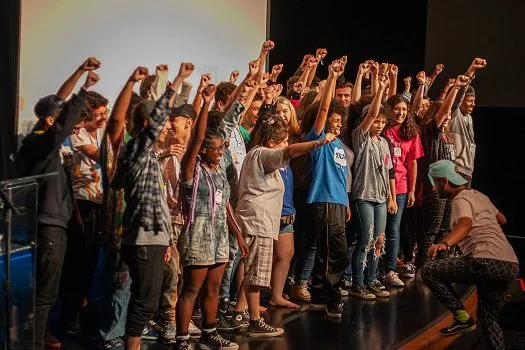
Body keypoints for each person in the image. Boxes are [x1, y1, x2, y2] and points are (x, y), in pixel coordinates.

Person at [19, 57, 101, 350]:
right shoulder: (37, 142)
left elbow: (59, 99)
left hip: (60, 222)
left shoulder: (49, 141)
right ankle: (36, 342)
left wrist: (81, 76)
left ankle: (42, 335)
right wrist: (82, 93)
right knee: (44, 293)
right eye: (64, 116)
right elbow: (60, 122)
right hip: (47, 225)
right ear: (52, 121)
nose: (72, 120)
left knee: (52, 290)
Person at [112, 62, 193, 350]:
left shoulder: (148, 158)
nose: (169, 128)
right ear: (149, 126)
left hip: (155, 238)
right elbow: (157, 117)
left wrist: (168, 240)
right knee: (143, 301)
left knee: (146, 299)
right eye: (165, 124)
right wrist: (178, 80)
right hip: (142, 239)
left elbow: (156, 201)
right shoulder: (137, 149)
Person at [175, 83, 249, 350]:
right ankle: (182, 338)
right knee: (192, 289)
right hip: (198, 234)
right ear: (204, 150)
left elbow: (225, 205)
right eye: (215, 148)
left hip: (219, 234)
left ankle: (210, 332)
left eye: (222, 148)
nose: (220, 152)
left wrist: (238, 234)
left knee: (214, 289)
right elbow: (196, 138)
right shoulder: (192, 170)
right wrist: (206, 103)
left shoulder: (219, 171)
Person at [422, 159, 519, 350]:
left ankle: (462, 318)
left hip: (486, 260)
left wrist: (444, 243)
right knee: (488, 317)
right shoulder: (479, 196)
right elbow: (503, 219)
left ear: (445, 181)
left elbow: (465, 224)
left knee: (429, 270)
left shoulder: (460, 198)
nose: (435, 190)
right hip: (510, 264)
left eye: (436, 184)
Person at [350, 70, 395, 300]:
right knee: (365, 240)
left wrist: (392, 197)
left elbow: (389, 171)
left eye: (382, 122)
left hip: (380, 197)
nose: (378, 124)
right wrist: (380, 91)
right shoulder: (361, 136)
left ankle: (371, 278)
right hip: (364, 196)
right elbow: (371, 114)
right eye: (375, 121)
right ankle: (358, 282)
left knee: (379, 239)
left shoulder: (384, 143)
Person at [382, 94, 423, 286]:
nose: (400, 112)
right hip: (380, 186)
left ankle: (390, 269)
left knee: (394, 228)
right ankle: (373, 269)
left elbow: (412, 163)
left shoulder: (411, 133)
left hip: (400, 186)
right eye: (397, 109)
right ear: (390, 109)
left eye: (404, 110)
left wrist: (412, 190)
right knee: (378, 229)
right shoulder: (383, 129)